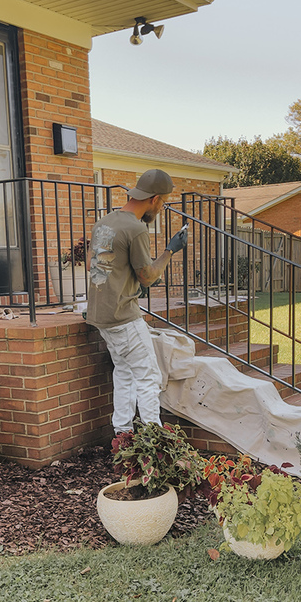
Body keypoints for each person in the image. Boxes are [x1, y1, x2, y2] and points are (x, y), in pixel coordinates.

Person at [86, 168, 188, 435]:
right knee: (149, 377)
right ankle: (154, 441)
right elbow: (147, 276)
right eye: (163, 202)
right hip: (123, 315)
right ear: (154, 199)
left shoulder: (103, 223)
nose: (161, 208)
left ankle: (122, 434)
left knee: (124, 372)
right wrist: (170, 250)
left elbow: (92, 264)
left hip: (100, 314)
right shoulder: (136, 229)